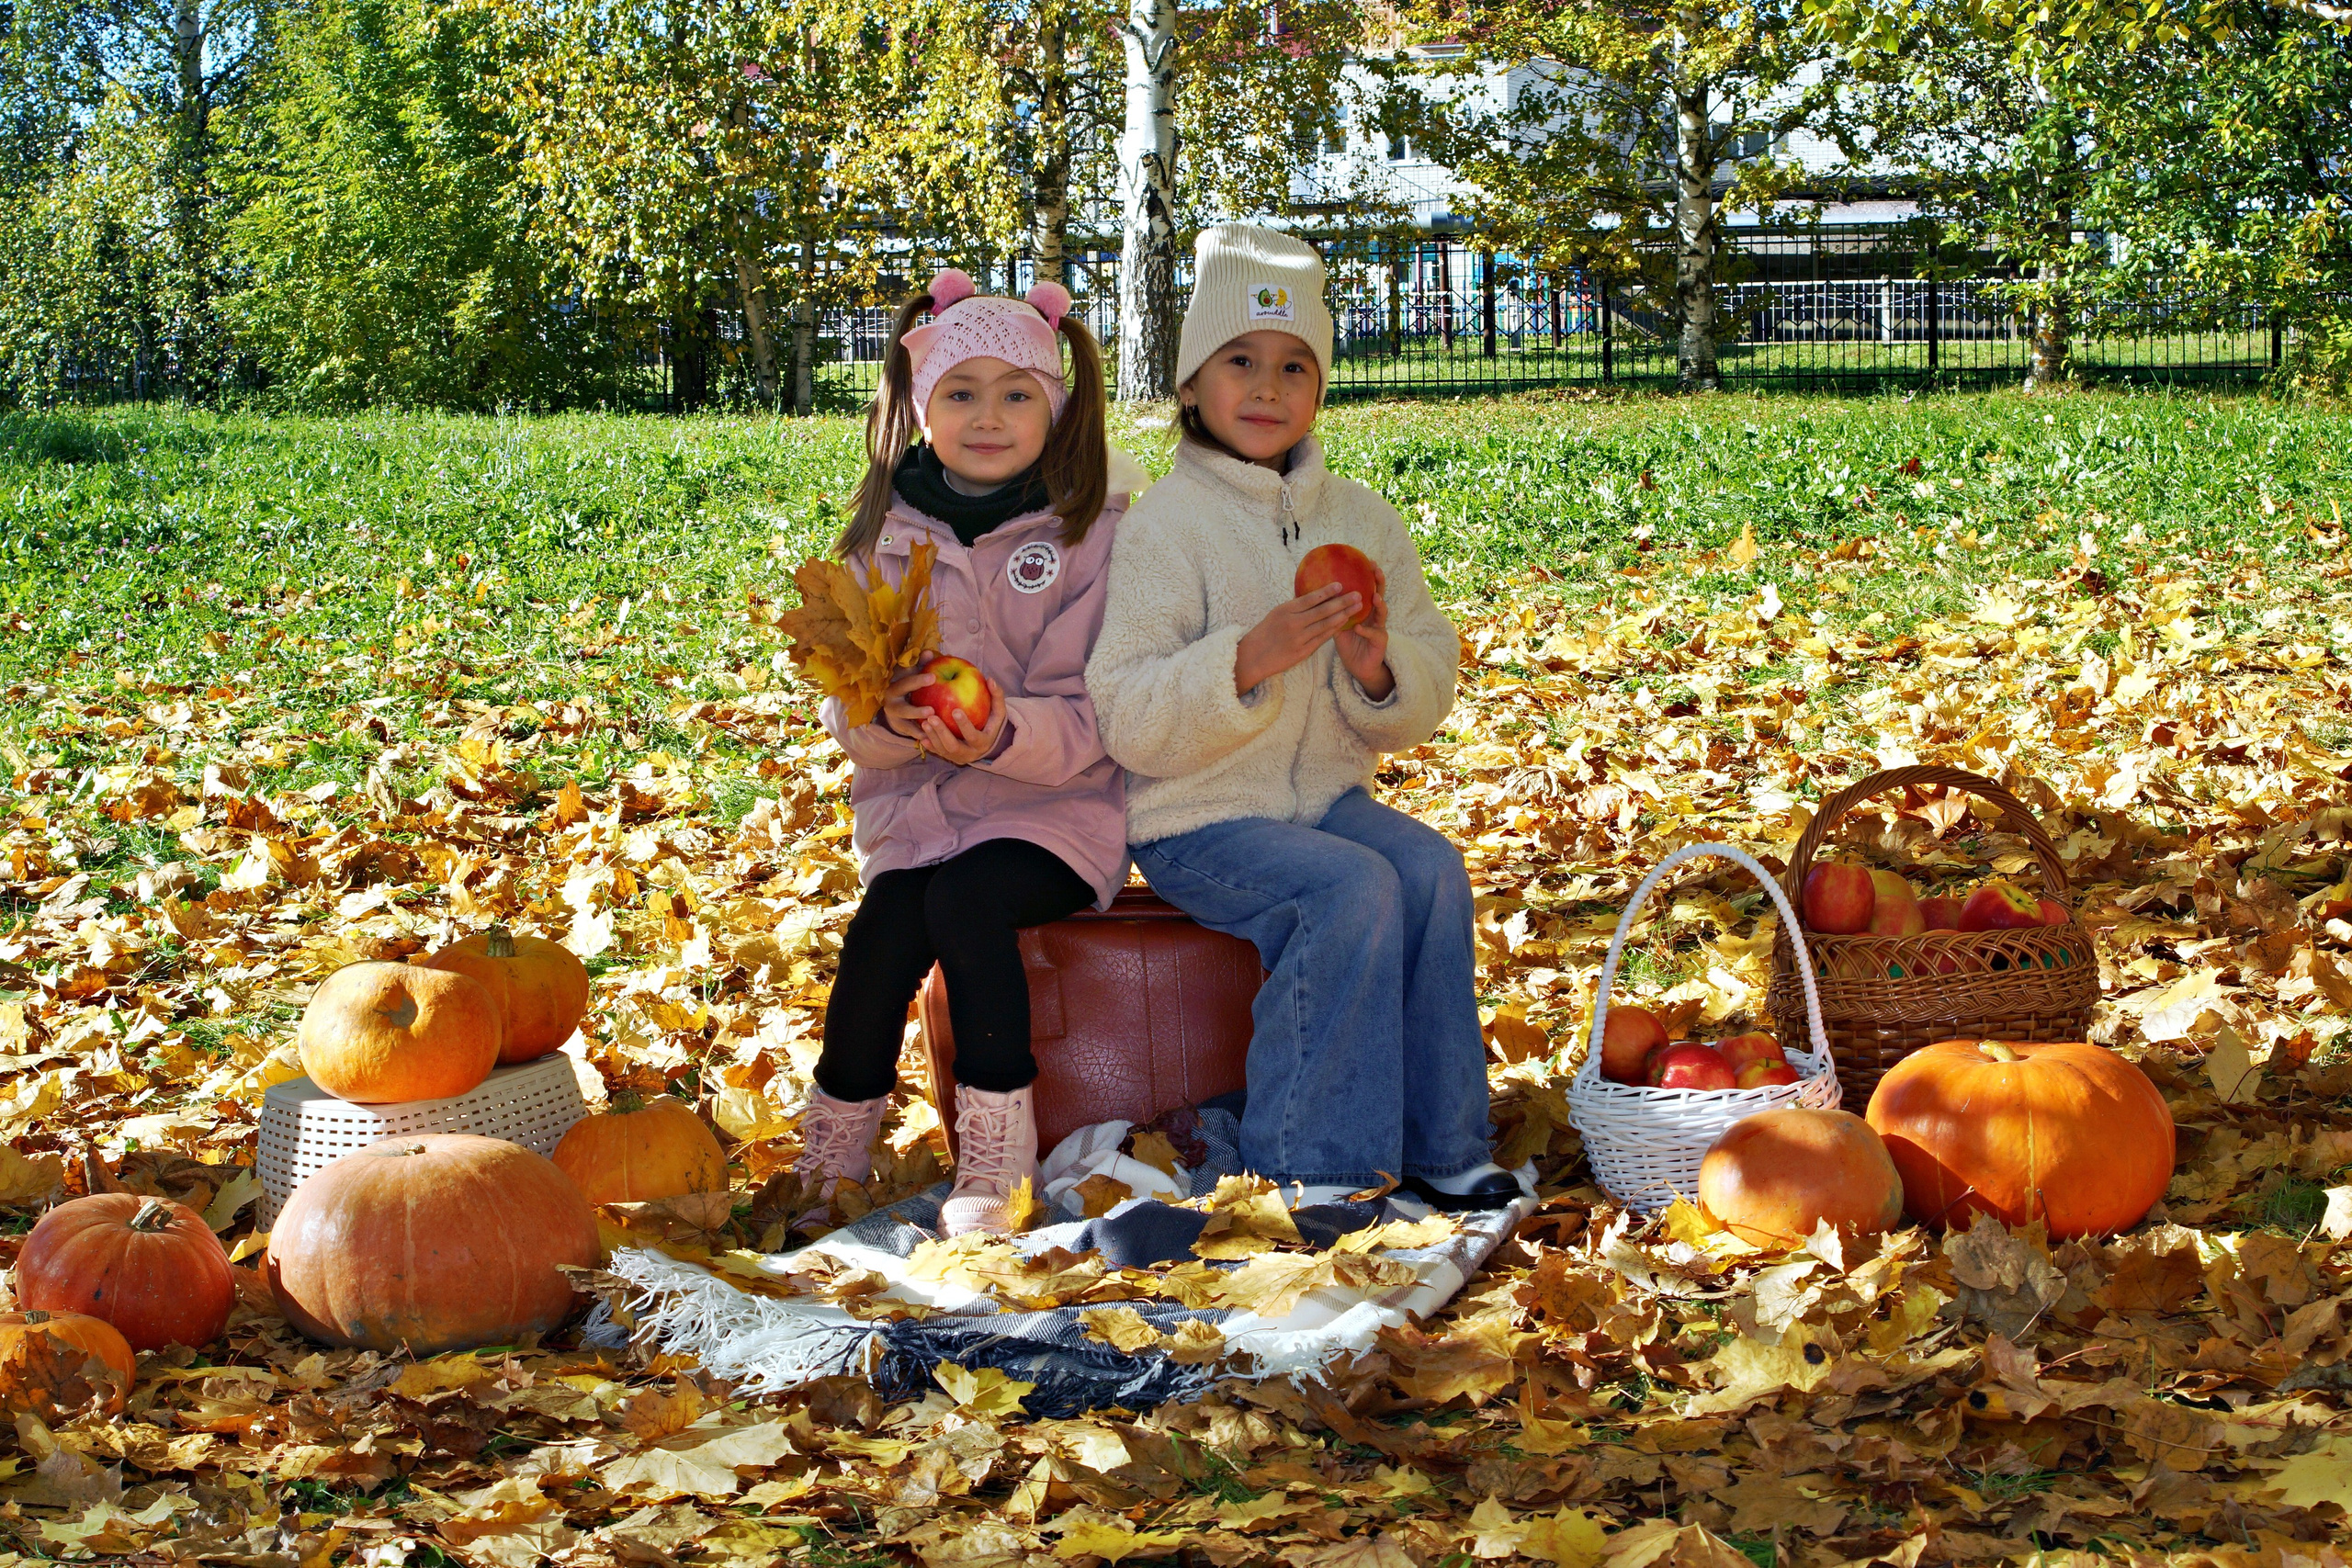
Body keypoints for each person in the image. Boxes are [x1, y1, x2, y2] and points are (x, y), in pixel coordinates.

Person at [1085, 225, 1526, 1213]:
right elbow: (1124, 711)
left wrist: (1378, 670)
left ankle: (1442, 1143)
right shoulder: (1166, 527)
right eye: (1238, 361)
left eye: (1295, 366)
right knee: (1350, 889)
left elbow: (1426, 677)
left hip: (1322, 797)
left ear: (1322, 387)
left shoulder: (1361, 521)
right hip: (1197, 817)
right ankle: (1313, 1162)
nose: (1267, 387)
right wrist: (1246, 661)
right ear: (1192, 384)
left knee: (1426, 867)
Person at [798, 270, 1129, 1238]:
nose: (988, 416)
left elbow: (1096, 712)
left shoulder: (1089, 538)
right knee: (883, 932)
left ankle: (994, 1154)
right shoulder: (878, 539)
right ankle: (833, 1147)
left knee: (967, 901)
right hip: (920, 815)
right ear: (919, 406)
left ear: (1056, 409)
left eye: (1015, 393)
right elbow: (842, 699)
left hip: (1053, 813)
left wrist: (1000, 735)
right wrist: (887, 726)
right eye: (960, 393)